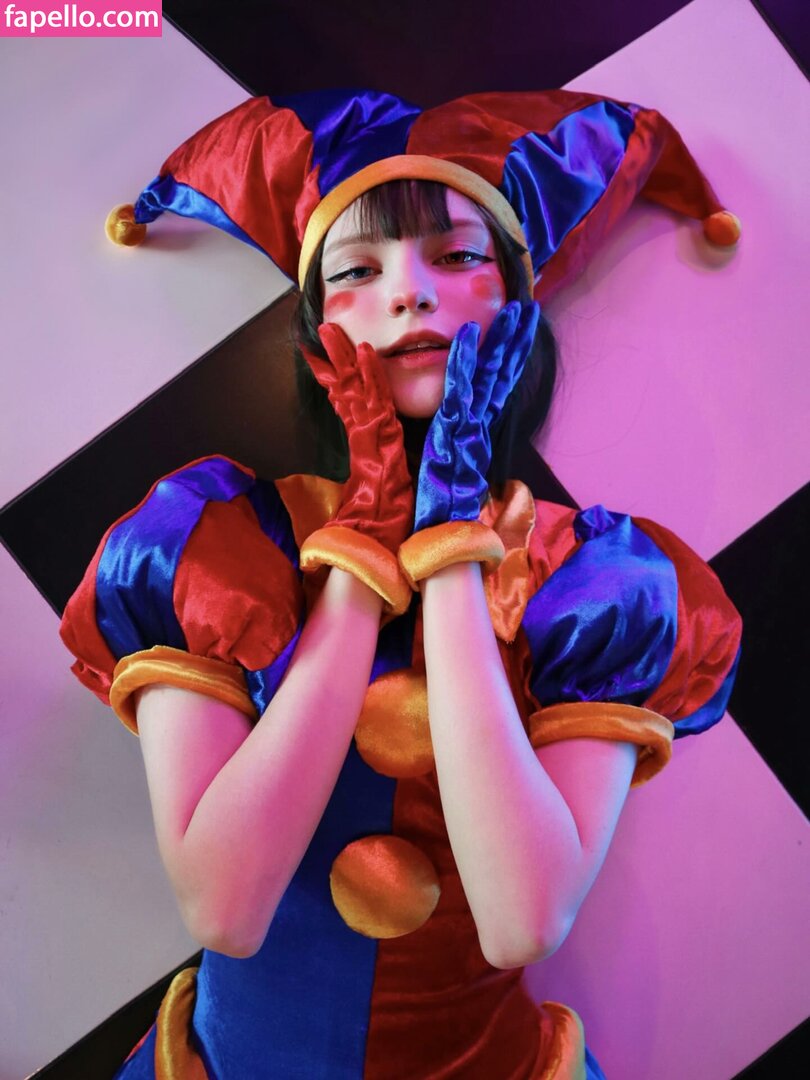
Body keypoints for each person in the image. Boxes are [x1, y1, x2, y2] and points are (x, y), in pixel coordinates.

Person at [60, 89, 743, 1078]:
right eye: (358, 270)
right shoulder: (214, 542)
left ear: (518, 307)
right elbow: (224, 906)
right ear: (314, 332)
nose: (410, 294)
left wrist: (454, 538)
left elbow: (523, 917)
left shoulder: (591, 581)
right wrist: (361, 550)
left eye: (457, 257)